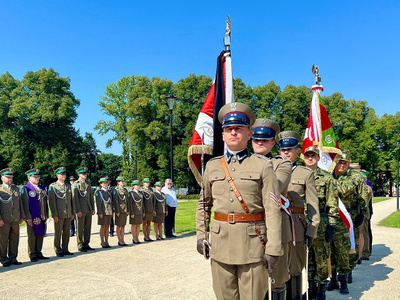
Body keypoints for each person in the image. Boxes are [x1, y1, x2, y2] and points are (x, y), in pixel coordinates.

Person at [196, 102, 283, 300]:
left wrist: (274, 248)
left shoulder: (263, 165)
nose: (233, 133)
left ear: (249, 134)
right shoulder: (212, 166)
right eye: (229, 129)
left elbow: (272, 208)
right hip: (220, 246)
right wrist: (201, 235)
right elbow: (204, 204)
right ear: (223, 135)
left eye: (239, 129)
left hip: (252, 246)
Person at [251, 119, 292, 300]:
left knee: (277, 280)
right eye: (256, 139)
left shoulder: (282, 164)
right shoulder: (240, 162)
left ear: (272, 143)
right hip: (251, 229)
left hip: (276, 228)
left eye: (265, 140)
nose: (260, 143)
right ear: (250, 141)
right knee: (253, 281)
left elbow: (276, 187)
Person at [277, 131, 320, 299]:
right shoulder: (270, 169)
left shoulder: (305, 173)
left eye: (290, 149)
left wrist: (312, 230)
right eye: (283, 150)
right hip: (276, 227)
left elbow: (312, 205)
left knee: (294, 268)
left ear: (297, 152)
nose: (286, 153)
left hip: (296, 227)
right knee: (276, 268)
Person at [327, 151, 367, 294]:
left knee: (345, 250)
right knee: (330, 249)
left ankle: (343, 278)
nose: (342, 165)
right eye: (339, 162)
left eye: (345, 162)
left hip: (347, 218)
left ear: (349, 163)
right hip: (330, 217)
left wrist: (362, 213)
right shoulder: (328, 174)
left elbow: (360, 195)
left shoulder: (355, 177)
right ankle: (332, 278)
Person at [303, 146, 339, 300]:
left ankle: (321, 289)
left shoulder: (327, 178)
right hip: (301, 222)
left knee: (321, 257)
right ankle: (311, 286)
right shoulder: (297, 175)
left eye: (313, 156)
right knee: (307, 257)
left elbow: (332, 202)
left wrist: (331, 224)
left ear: (318, 158)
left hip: (321, 222)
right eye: (307, 155)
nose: (310, 158)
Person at [21, 169, 49, 262]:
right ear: (29, 178)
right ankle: (32, 253)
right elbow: (25, 204)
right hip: (32, 217)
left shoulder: (42, 188)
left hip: (42, 216)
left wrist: (46, 214)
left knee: (41, 234)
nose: (37, 178)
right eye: (35, 177)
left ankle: (38, 252)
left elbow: (45, 202)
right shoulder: (26, 189)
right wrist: (28, 218)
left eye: (38, 176)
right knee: (32, 236)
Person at [0, 168, 24, 267]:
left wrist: (21, 215)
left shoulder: (16, 188)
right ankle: (4, 259)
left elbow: (20, 203)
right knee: (3, 240)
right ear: (2, 178)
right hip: (4, 219)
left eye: (11, 177)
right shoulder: (0, 189)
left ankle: (13, 258)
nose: (10, 179)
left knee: (15, 239)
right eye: (8, 177)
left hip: (15, 218)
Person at [48, 167, 74, 257]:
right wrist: (54, 214)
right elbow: (52, 202)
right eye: (61, 174)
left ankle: (65, 248)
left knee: (66, 232)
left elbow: (71, 200)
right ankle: (58, 249)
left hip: (68, 213)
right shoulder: (53, 187)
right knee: (58, 232)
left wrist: (72, 212)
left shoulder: (68, 186)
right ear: (57, 175)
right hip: (59, 214)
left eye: (64, 174)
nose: (63, 176)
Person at [71, 167, 95, 252]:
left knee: (88, 227)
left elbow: (91, 197)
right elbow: (75, 199)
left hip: (88, 208)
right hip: (81, 209)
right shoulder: (75, 184)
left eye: (85, 173)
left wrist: (92, 208)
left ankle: (86, 243)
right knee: (80, 228)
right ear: (79, 175)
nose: (85, 175)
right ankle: (80, 244)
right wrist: (77, 210)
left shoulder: (88, 184)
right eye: (83, 174)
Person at [95, 176, 113, 248]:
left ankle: (106, 241)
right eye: (103, 183)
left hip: (108, 212)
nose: (105, 184)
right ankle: (102, 241)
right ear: (101, 184)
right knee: (103, 227)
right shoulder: (99, 192)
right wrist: (100, 212)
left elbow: (110, 203)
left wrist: (111, 211)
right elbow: (98, 203)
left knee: (107, 227)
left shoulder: (108, 192)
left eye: (106, 183)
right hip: (103, 212)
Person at [360, 169, 373, 261]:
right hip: (364, 212)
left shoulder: (366, 188)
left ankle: (364, 251)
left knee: (363, 232)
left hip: (363, 213)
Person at [112, 175, 129, 246]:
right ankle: (119, 240)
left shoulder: (125, 190)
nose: (123, 183)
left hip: (124, 210)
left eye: (123, 181)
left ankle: (122, 239)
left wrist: (128, 209)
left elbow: (127, 201)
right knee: (119, 226)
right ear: (118, 182)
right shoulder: (116, 190)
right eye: (121, 181)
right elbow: (115, 201)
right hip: (119, 210)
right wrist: (117, 211)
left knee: (123, 226)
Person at [128, 180, 144, 244]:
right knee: (134, 225)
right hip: (134, 211)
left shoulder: (140, 193)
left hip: (139, 211)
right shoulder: (131, 193)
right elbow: (130, 203)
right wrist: (131, 212)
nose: (137, 186)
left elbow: (142, 203)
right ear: (133, 186)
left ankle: (137, 238)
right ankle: (134, 238)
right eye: (136, 185)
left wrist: (143, 211)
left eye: (138, 185)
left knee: (138, 225)